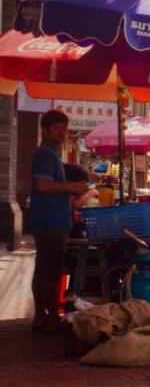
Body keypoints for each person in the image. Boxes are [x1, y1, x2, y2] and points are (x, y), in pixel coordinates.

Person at [29, 110, 89, 332]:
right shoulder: (45, 154)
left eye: (64, 127)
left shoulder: (51, 154)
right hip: (49, 222)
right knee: (51, 271)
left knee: (42, 269)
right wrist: (71, 188)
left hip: (49, 220)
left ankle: (39, 316)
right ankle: (52, 317)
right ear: (45, 130)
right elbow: (41, 185)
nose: (62, 131)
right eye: (56, 127)